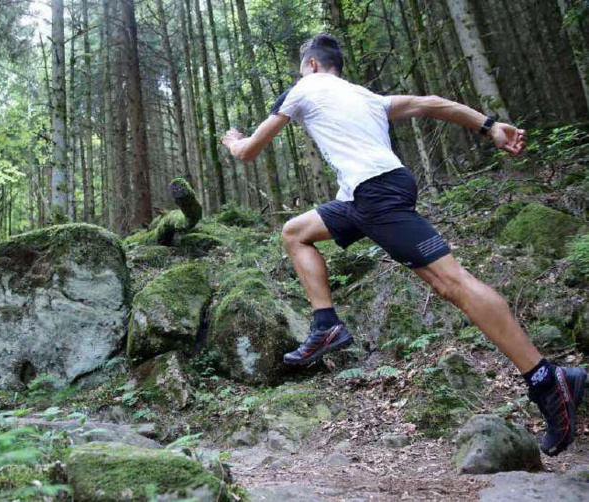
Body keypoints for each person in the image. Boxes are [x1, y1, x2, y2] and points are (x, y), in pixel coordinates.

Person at [221, 34, 586, 456]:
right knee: (295, 232)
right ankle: (326, 325)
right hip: (363, 197)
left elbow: (249, 151)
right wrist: (489, 126)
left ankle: (546, 379)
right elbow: (431, 102)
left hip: (375, 195)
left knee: (453, 283)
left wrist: (232, 140)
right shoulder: (367, 97)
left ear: (314, 65)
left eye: (303, 67)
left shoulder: (304, 87)